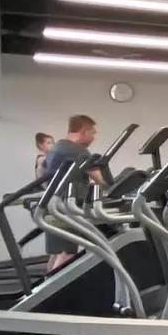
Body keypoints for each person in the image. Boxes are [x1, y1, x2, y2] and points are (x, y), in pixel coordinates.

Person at [40, 115, 102, 272]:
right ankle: (54, 287)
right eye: (93, 133)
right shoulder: (78, 151)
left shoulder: (57, 148)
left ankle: (48, 283)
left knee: (57, 254)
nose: (94, 137)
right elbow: (101, 180)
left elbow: (45, 174)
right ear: (84, 131)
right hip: (66, 207)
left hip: (51, 206)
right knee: (67, 254)